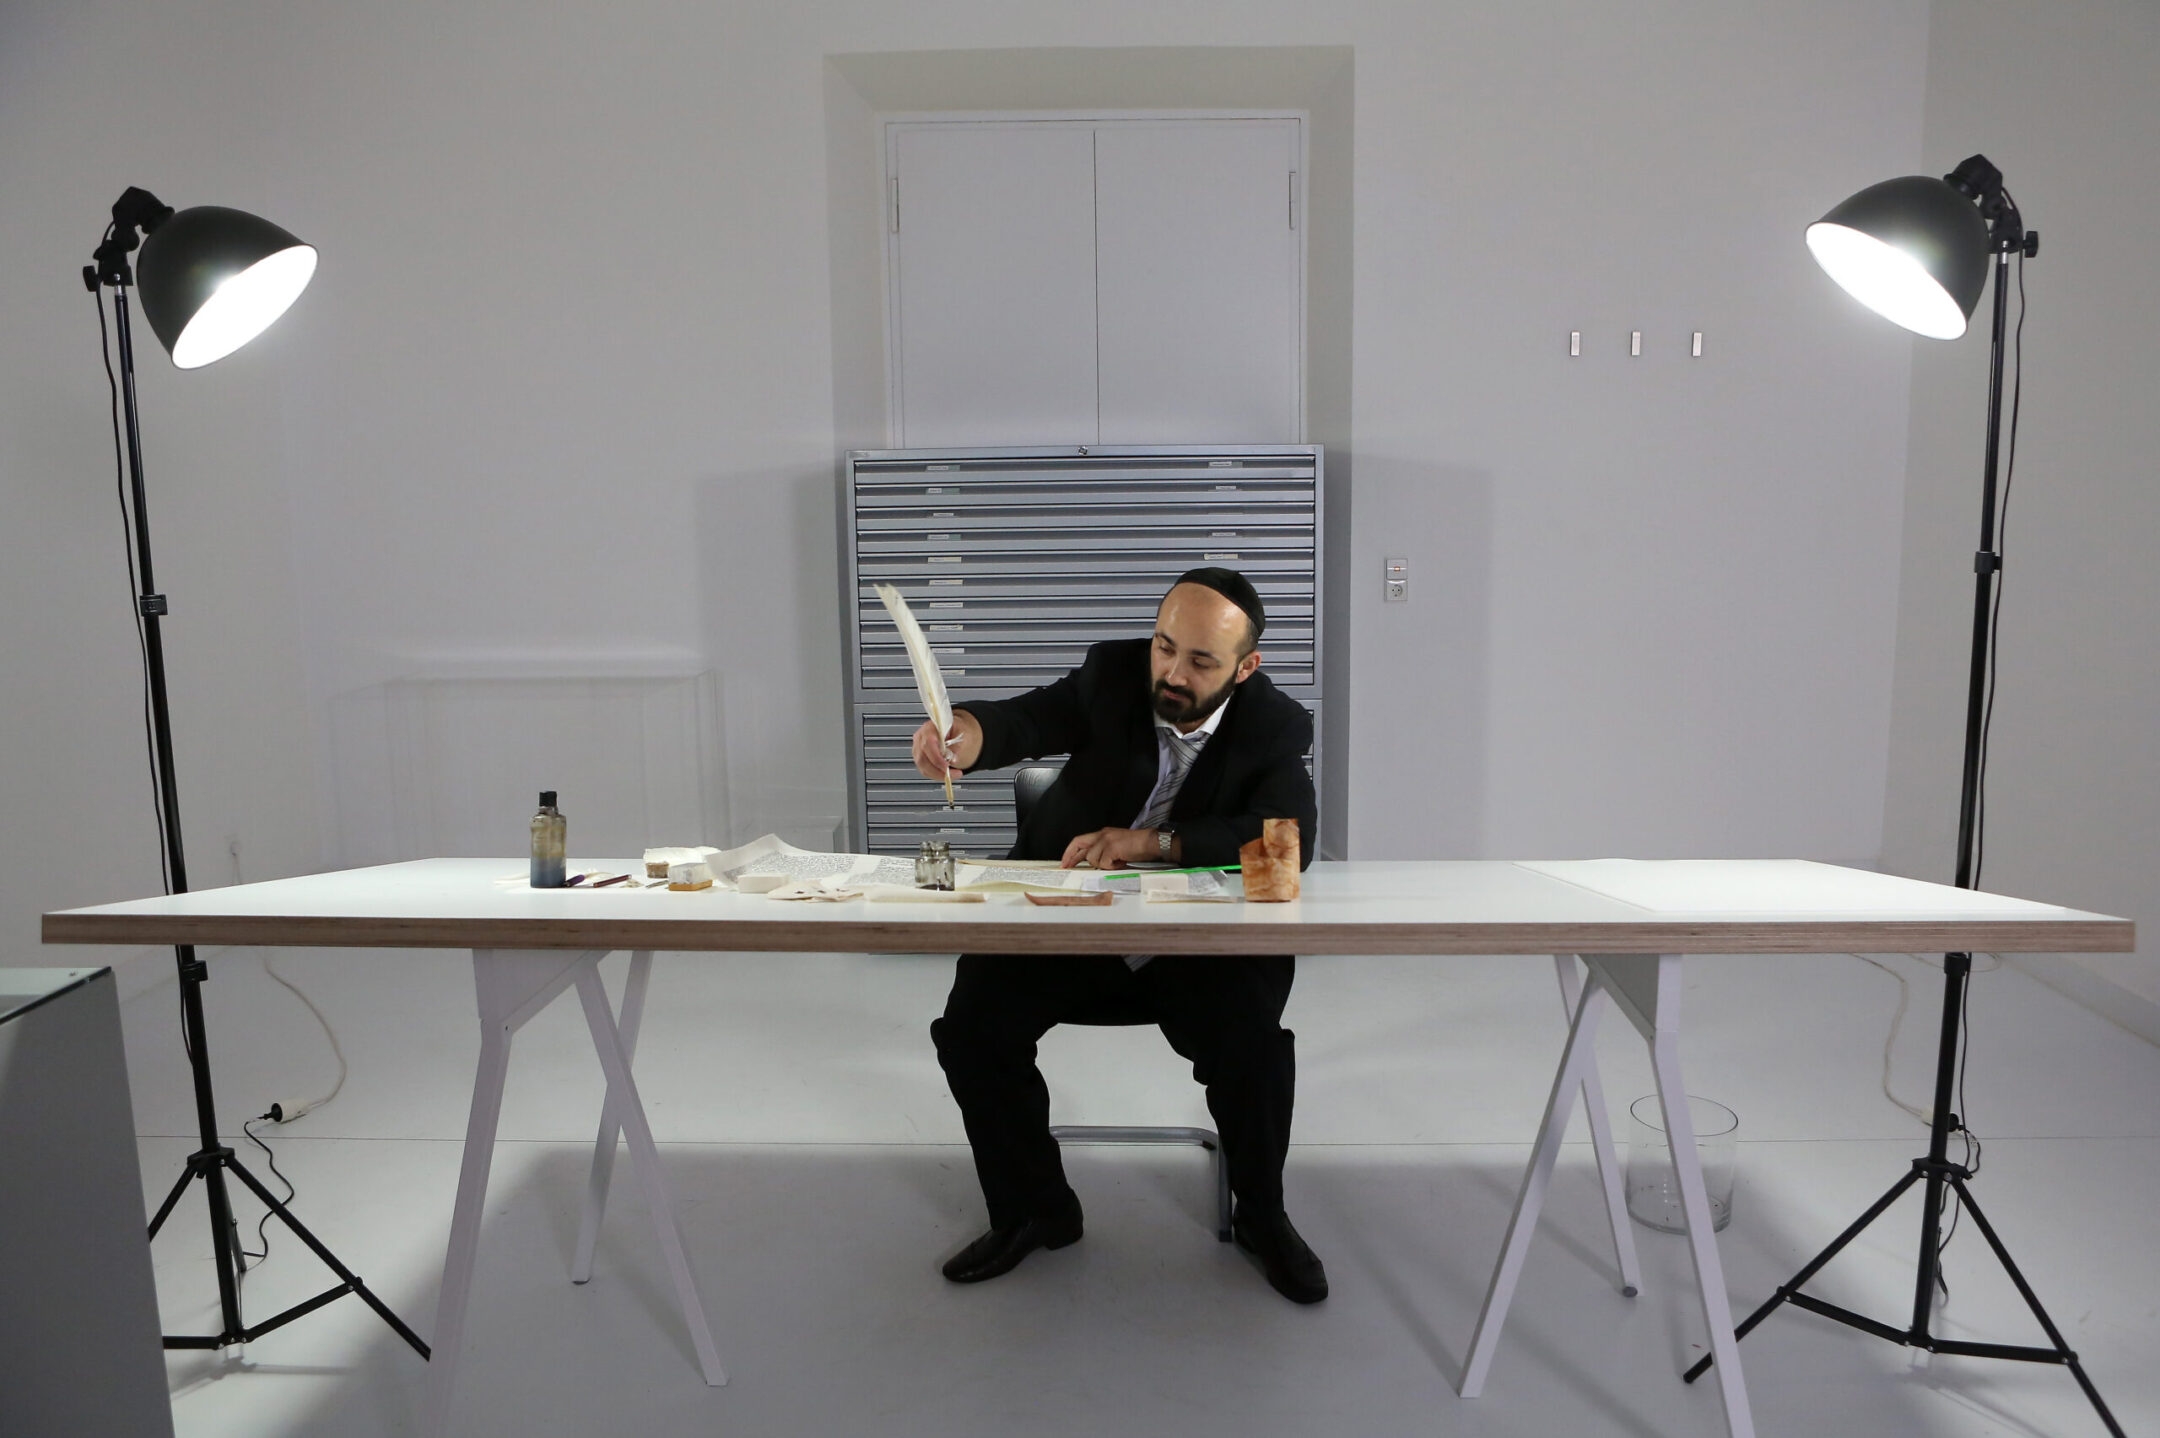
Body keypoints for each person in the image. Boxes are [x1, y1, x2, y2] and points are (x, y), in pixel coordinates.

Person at [909, 567, 1326, 1304]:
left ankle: (1262, 1217)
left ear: (1245, 667)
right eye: (1165, 647)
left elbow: (1284, 851)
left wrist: (1155, 844)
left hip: (1196, 950)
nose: (1172, 672)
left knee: (1255, 1050)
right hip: (1074, 930)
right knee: (973, 1029)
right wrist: (966, 736)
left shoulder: (1274, 726)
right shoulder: (1111, 675)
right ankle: (1036, 1211)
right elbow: (1026, 720)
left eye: (1201, 661)